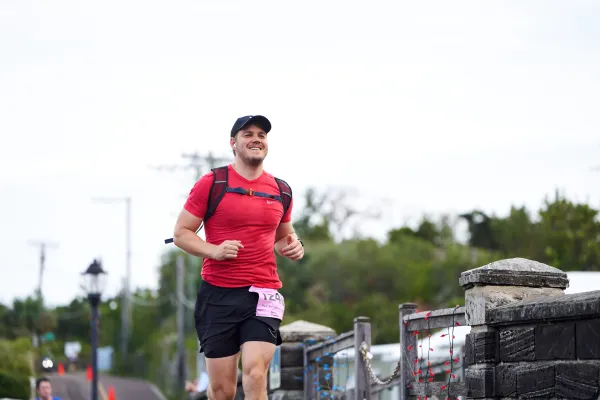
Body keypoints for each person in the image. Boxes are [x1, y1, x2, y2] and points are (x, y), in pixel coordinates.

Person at [173, 115, 304, 400]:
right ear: (234, 143)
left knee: (256, 373)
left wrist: (295, 246)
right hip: (218, 295)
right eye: (248, 134)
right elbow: (182, 233)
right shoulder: (213, 182)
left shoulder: (281, 190)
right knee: (222, 390)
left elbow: (284, 238)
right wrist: (214, 250)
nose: (256, 139)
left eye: (261, 135)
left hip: (263, 293)